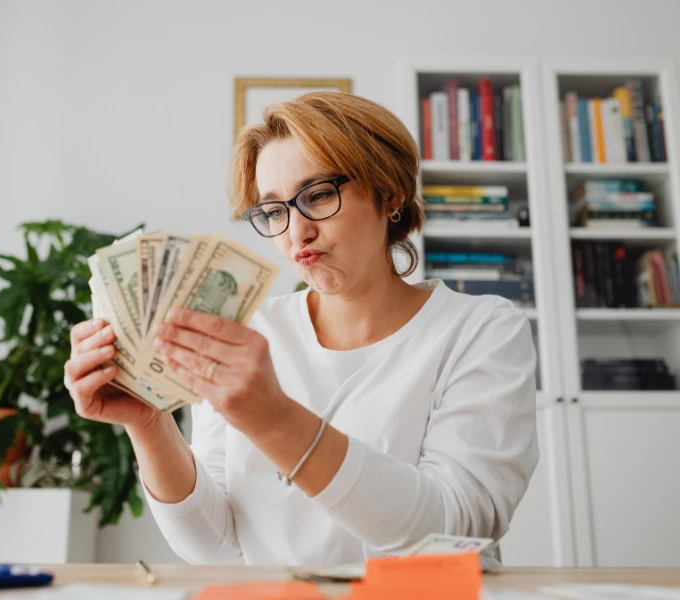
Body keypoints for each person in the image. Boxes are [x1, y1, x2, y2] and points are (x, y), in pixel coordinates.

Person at [63, 92, 538, 566]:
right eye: (274, 211)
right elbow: (215, 546)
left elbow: (456, 527)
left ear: (389, 193)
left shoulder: (482, 331)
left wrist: (274, 419)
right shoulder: (247, 333)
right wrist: (148, 424)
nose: (296, 233)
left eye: (317, 196)